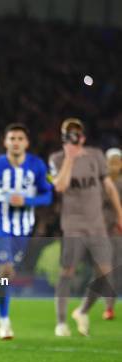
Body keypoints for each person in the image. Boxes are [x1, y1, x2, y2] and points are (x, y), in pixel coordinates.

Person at [0, 123, 52, 339]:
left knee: (8, 273)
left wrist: (27, 200)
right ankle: (4, 322)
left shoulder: (37, 166)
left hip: (23, 226)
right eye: (12, 138)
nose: (16, 142)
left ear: (26, 143)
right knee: (6, 269)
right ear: (5, 142)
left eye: (20, 138)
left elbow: (48, 196)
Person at [49, 118, 122, 336]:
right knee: (67, 272)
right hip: (73, 225)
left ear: (83, 136)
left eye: (76, 133)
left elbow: (108, 186)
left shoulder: (96, 156)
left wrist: (120, 214)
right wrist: (70, 159)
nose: (73, 137)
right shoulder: (57, 158)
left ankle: (82, 310)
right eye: (68, 133)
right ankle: (61, 322)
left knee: (106, 272)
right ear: (63, 137)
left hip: (97, 224)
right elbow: (60, 186)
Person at [102, 147, 122, 320]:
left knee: (114, 270)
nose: (113, 166)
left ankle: (109, 306)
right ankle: (106, 306)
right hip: (101, 231)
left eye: (116, 162)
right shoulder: (100, 183)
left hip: (117, 231)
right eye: (110, 162)